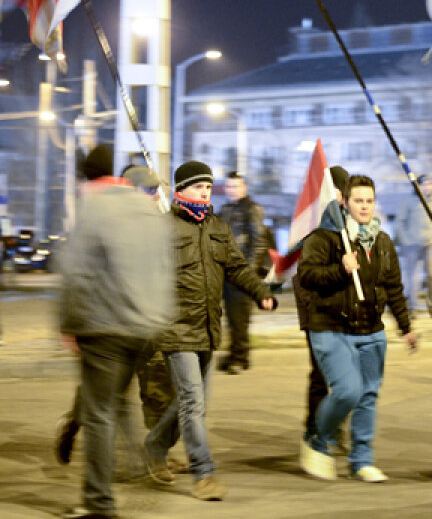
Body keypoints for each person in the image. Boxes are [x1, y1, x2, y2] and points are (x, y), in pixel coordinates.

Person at [143, 161, 277, 501]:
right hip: (176, 330)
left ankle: (156, 445)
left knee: (194, 403)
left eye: (208, 187)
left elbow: (237, 267)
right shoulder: (164, 228)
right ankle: (204, 474)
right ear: (181, 191)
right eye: (198, 187)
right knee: (192, 402)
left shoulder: (217, 226)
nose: (205, 192)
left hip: (207, 329)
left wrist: (261, 293)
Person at [58, 145, 175, 519]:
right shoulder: (150, 211)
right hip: (144, 328)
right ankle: (129, 471)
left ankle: (99, 503)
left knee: (100, 415)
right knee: (114, 405)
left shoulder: (97, 207)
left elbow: (76, 271)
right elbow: (165, 269)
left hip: (103, 327)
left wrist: (68, 324)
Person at [297, 174, 419, 483]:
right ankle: (318, 441)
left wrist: (406, 327)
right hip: (331, 327)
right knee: (348, 391)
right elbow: (308, 276)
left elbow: (394, 288)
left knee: (367, 395)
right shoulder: (325, 237)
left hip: (371, 330)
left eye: (369, 201)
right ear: (346, 203)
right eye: (358, 201)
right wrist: (341, 269)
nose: (364, 207)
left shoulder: (382, 240)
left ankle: (362, 459)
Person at [294, 164, 349, 446]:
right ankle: (314, 428)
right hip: (316, 309)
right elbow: (307, 274)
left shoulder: (351, 226)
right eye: (333, 190)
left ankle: (334, 426)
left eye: (340, 191)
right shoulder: (314, 227)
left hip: (344, 311)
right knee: (321, 373)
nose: (337, 196)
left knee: (344, 375)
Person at [217, 171, 272, 373]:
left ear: (244, 187)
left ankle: (239, 358)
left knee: (240, 318)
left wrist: (247, 273)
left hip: (241, 274)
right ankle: (237, 355)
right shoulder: (225, 210)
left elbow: (258, 242)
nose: (231, 190)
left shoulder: (252, 210)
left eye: (235, 186)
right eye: (229, 186)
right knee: (231, 318)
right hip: (225, 272)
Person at [395, 174, 432, 317]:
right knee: (412, 278)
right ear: (418, 186)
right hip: (412, 244)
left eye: (430, 184)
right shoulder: (409, 202)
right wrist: (406, 239)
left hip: (431, 243)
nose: (427, 187)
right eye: (424, 184)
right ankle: (413, 308)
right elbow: (400, 222)